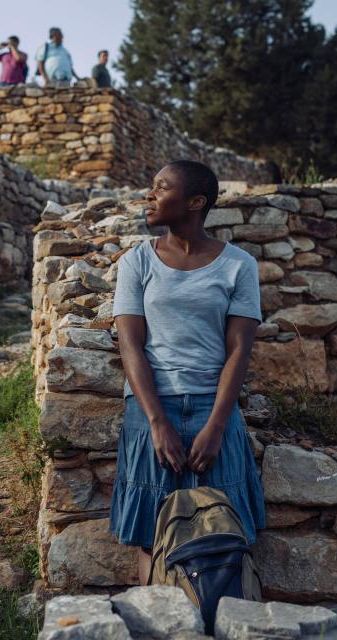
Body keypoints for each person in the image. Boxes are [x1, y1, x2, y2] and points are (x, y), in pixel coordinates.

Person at [108, 160, 266, 584]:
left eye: (161, 188)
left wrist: (216, 426)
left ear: (196, 202)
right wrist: (157, 421)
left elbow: (239, 349)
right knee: (150, 536)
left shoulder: (238, 265)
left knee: (224, 530)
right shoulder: (137, 262)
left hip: (213, 411)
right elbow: (130, 344)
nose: (149, 195)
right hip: (149, 409)